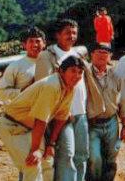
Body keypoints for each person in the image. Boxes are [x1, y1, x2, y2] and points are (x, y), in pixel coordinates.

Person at [34, 19, 104, 181]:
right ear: (58, 35)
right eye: (67, 33)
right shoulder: (47, 56)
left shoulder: (78, 54)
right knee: (67, 155)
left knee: (82, 155)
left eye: (74, 33)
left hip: (81, 113)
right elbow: (43, 86)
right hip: (61, 115)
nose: (71, 36)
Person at [0, 55, 85, 181]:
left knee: (47, 163)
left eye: (80, 72)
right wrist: (35, 150)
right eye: (73, 71)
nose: (77, 76)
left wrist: (51, 144)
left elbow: (61, 118)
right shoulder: (52, 85)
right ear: (61, 71)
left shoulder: (70, 88)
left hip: (31, 129)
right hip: (13, 126)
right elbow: (41, 120)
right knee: (32, 165)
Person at [86, 43, 125, 181]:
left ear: (110, 56)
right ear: (91, 54)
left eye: (106, 52)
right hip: (92, 124)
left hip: (112, 123)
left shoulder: (116, 75)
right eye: (98, 51)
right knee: (95, 159)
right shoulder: (84, 74)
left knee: (111, 158)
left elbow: (123, 102)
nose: (102, 54)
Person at [0, 26, 46, 103]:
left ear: (44, 44)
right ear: (24, 45)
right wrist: (23, 91)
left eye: (38, 41)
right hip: (23, 111)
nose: (35, 45)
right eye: (31, 41)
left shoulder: (52, 64)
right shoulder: (15, 66)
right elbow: (1, 93)